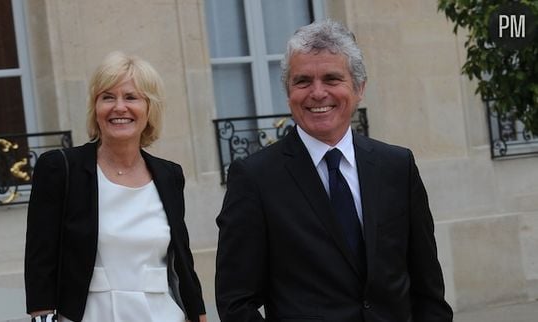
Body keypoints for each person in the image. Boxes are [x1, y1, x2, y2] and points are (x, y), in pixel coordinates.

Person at [215, 20, 453, 322]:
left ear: (359, 88)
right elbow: (236, 301)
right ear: (288, 93)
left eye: (331, 79)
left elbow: (428, 288)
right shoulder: (254, 178)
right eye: (302, 81)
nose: (317, 93)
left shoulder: (397, 166)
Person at [25, 51, 206, 322]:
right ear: (95, 108)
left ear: (149, 109)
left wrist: (199, 315)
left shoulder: (169, 175)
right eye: (107, 97)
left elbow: (182, 261)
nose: (119, 107)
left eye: (131, 97)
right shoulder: (60, 168)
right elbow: (40, 260)